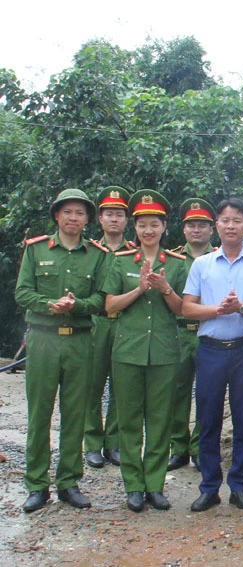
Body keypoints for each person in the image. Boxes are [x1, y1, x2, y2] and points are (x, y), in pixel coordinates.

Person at [182, 197, 243, 512]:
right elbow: (187, 308)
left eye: (237, 220)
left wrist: (242, 309)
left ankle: (239, 485)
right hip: (210, 351)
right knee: (208, 420)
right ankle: (209, 487)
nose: (231, 225)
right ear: (217, 226)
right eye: (225, 220)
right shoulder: (202, 264)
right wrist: (216, 310)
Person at [16, 188, 106, 513]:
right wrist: (48, 305)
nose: (73, 218)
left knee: (75, 414)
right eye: (67, 212)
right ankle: (37, 485)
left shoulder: (97, 255)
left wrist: (77, 304)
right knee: (39, 413)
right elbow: (22, 292)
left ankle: (69, 482)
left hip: (80, 340)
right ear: (57, 215)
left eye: (80, 213)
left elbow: (100, 300)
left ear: (86, 220)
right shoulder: (36, 249)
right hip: (43, 339)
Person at [102, 189, 188, 512]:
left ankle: (155, 485)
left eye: (154, 224)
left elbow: (182, 309)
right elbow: (109, 305)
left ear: (164, 227)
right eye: (142, 225)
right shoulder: (121, 262)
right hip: (127, 352)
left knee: (160, 419)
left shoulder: (178, 264)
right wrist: (138, 289)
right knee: (128, 419)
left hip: (164, 352)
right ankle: (133, 486)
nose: (148, 231)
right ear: (134, 229)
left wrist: (165, 289)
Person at [83, 186, 133, 470]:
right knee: (91, 384)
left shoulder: (135, 252)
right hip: (96, 325)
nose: (114, 220)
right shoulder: (90, 251)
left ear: (126, 221)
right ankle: (92, 442)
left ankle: (114, 443)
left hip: (125, 325)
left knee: (122, 387)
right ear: (100, 219)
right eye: (109, 214)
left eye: (119, 215)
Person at [166, 198, 217, 472]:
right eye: (191, 225)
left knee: (208, 394)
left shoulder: (220, 258)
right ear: (183, 230)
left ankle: (200, 447)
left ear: (212, 229)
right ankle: (178, 447)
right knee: (178, 392)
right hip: (179, 333)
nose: (196, 230)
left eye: (202, 225)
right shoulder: (172, 259)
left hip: (208, 333)